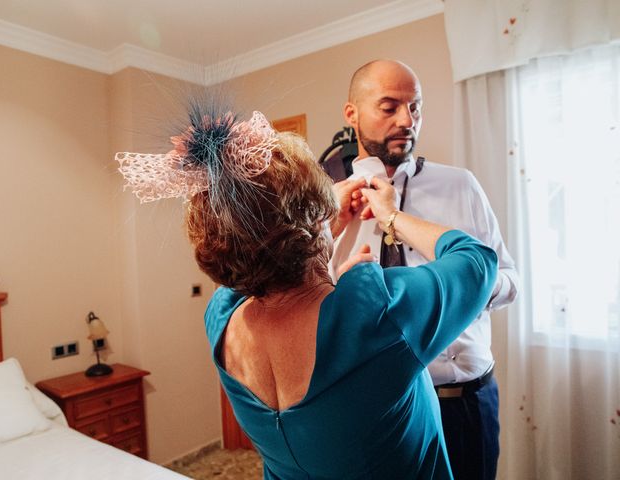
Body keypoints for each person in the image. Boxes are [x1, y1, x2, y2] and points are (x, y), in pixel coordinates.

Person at [117, 105, 498, 479]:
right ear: (317, 219)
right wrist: (391, 217)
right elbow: (477, 260)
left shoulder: (221, 317)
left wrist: (319, 231)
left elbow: (261, 255)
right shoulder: (373, 315)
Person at [330, 59, 519, 480]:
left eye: (415, 107)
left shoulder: (461, 185)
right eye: (389, 106)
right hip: (375, 406)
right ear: (351, 114)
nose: (406, 120)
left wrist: (464, 285)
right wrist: (329, 234)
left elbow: (511, 282)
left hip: (464, 401)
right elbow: (299, 299)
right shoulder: (327, 202)